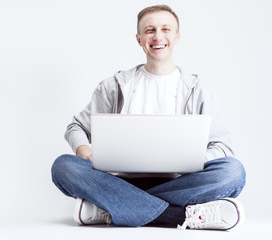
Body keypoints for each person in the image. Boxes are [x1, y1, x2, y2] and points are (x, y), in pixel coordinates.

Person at [51, 5, 246, 230]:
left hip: (179, 182)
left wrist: (198, 157)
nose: (158, 36)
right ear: (139, 38)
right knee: (63, 167)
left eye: (166, 29)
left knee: (234, 172)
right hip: (118, 180)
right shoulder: (114, 86)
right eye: (150, 30)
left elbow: (222, 146)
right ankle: (180, 216)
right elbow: (75, 127)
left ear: (177, 37)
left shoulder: (198, 90)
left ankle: (112, 207)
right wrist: (84, 151)